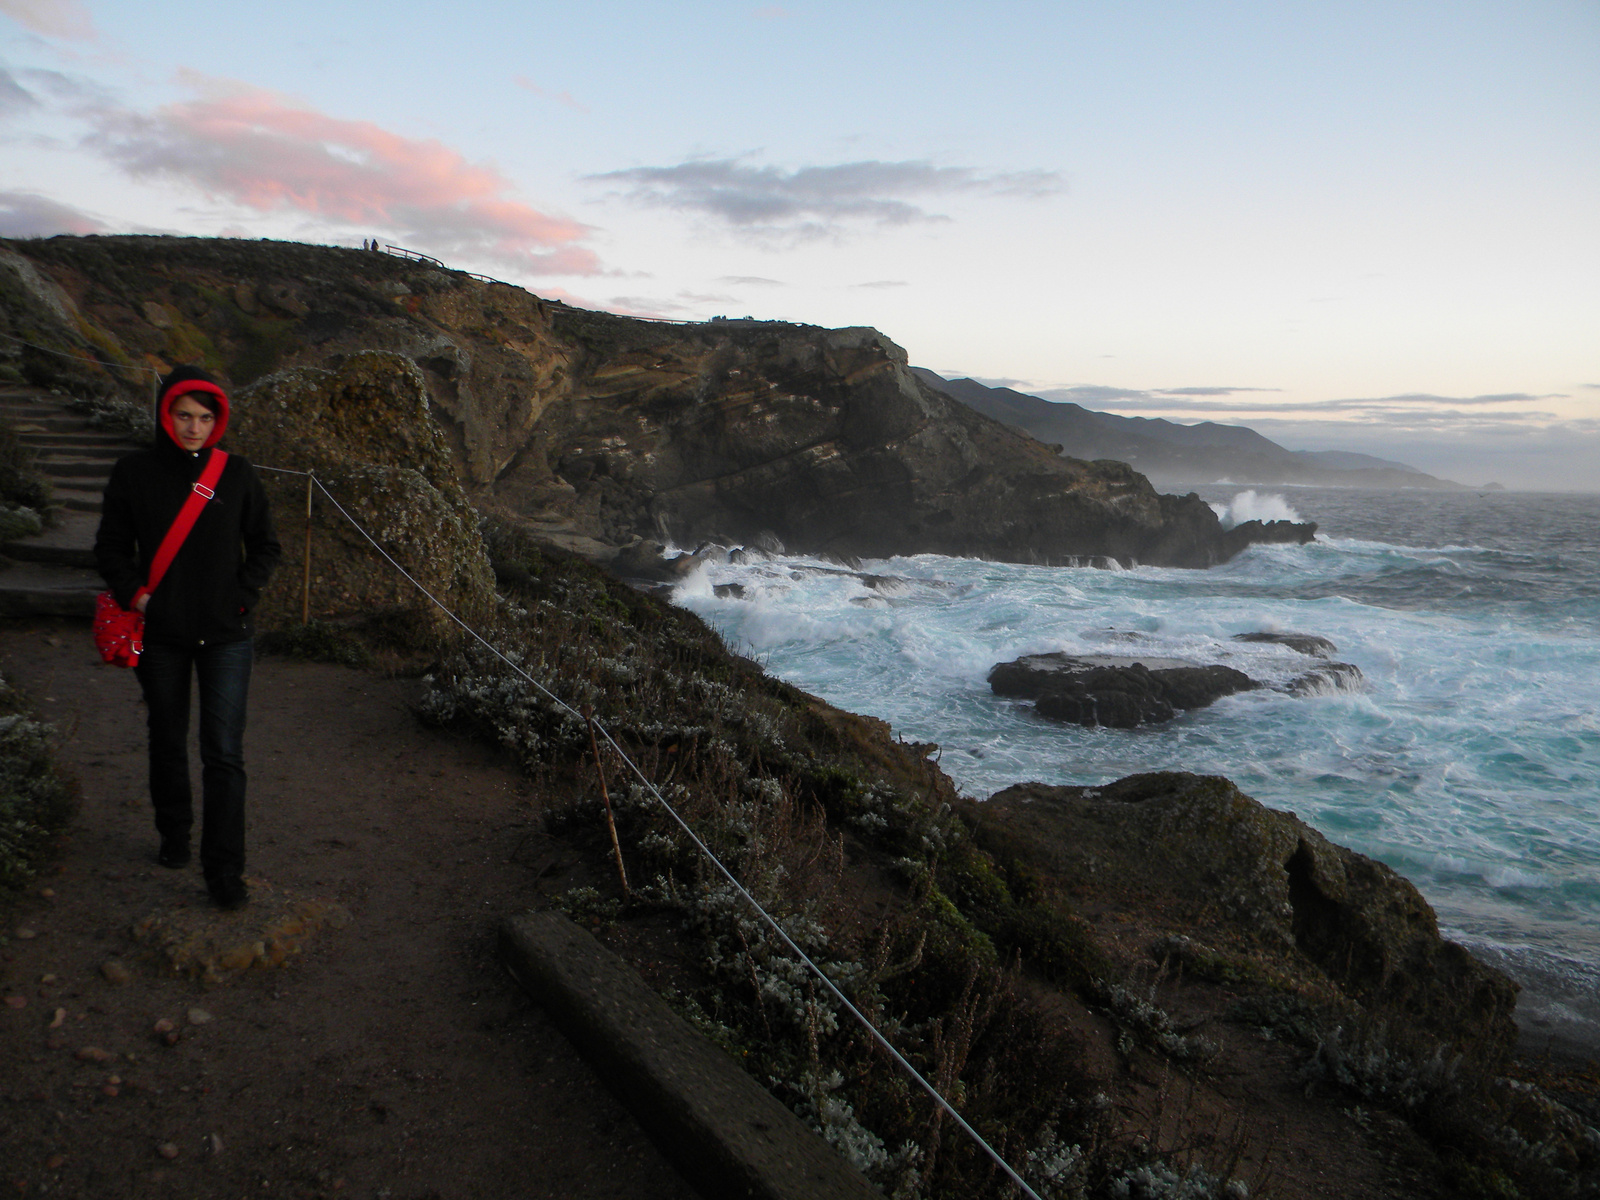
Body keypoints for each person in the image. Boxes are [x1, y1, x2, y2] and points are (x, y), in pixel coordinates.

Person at [94, 366, 282, 910]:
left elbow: (266, 545)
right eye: (184, 415)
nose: (194, 427)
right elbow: (110, 548)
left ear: (217, 420)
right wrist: (140, 597)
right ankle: (174, 835)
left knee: (224, 753)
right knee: (167, 739)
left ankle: (224, 871)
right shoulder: (134, 473)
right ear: (164, 414)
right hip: (162, 634)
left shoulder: (238, 474)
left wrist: (242, 597)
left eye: (205, 417)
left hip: (227, 636)